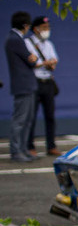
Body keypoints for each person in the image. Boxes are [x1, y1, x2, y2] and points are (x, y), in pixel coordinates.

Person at [25, 15, 60, 156]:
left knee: (50, 115)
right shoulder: (28, 43)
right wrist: (44, 63)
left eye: (48, 28)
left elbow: (54, 60)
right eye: (44, 28)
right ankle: (30, 146)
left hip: (48, 82)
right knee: (31, 115)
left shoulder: (49, 44)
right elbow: (31, 63)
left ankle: (51, 146)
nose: (47, 30)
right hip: (35, 81)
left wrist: (50, 64)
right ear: (35, 29)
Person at [6, 11, 38, 162]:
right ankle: (16, 150)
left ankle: (23, 149)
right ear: (25, 25)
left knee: (27, 119)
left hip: (26, 84)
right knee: (20, 119)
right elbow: (31, 60)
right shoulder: (15, 39)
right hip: (23, 84)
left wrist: (32, 58)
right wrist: (33, 58)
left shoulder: (14, 39)